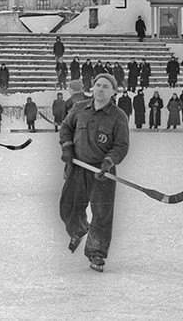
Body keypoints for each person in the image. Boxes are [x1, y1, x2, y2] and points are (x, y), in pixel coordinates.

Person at [59, 72, 129, 273]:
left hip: (102, 172)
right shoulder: (80, 108)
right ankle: (79, 229)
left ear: (114, 92)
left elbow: (121, 146)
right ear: (92, 88)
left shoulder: (118, 116)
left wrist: (108, 162)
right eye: (97, 85)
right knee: (67, 207)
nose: (100, 89)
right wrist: (67, 148)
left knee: (101, 215)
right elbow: (65, 128)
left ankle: (96, 253)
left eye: (106, 86)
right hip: (77, 167)